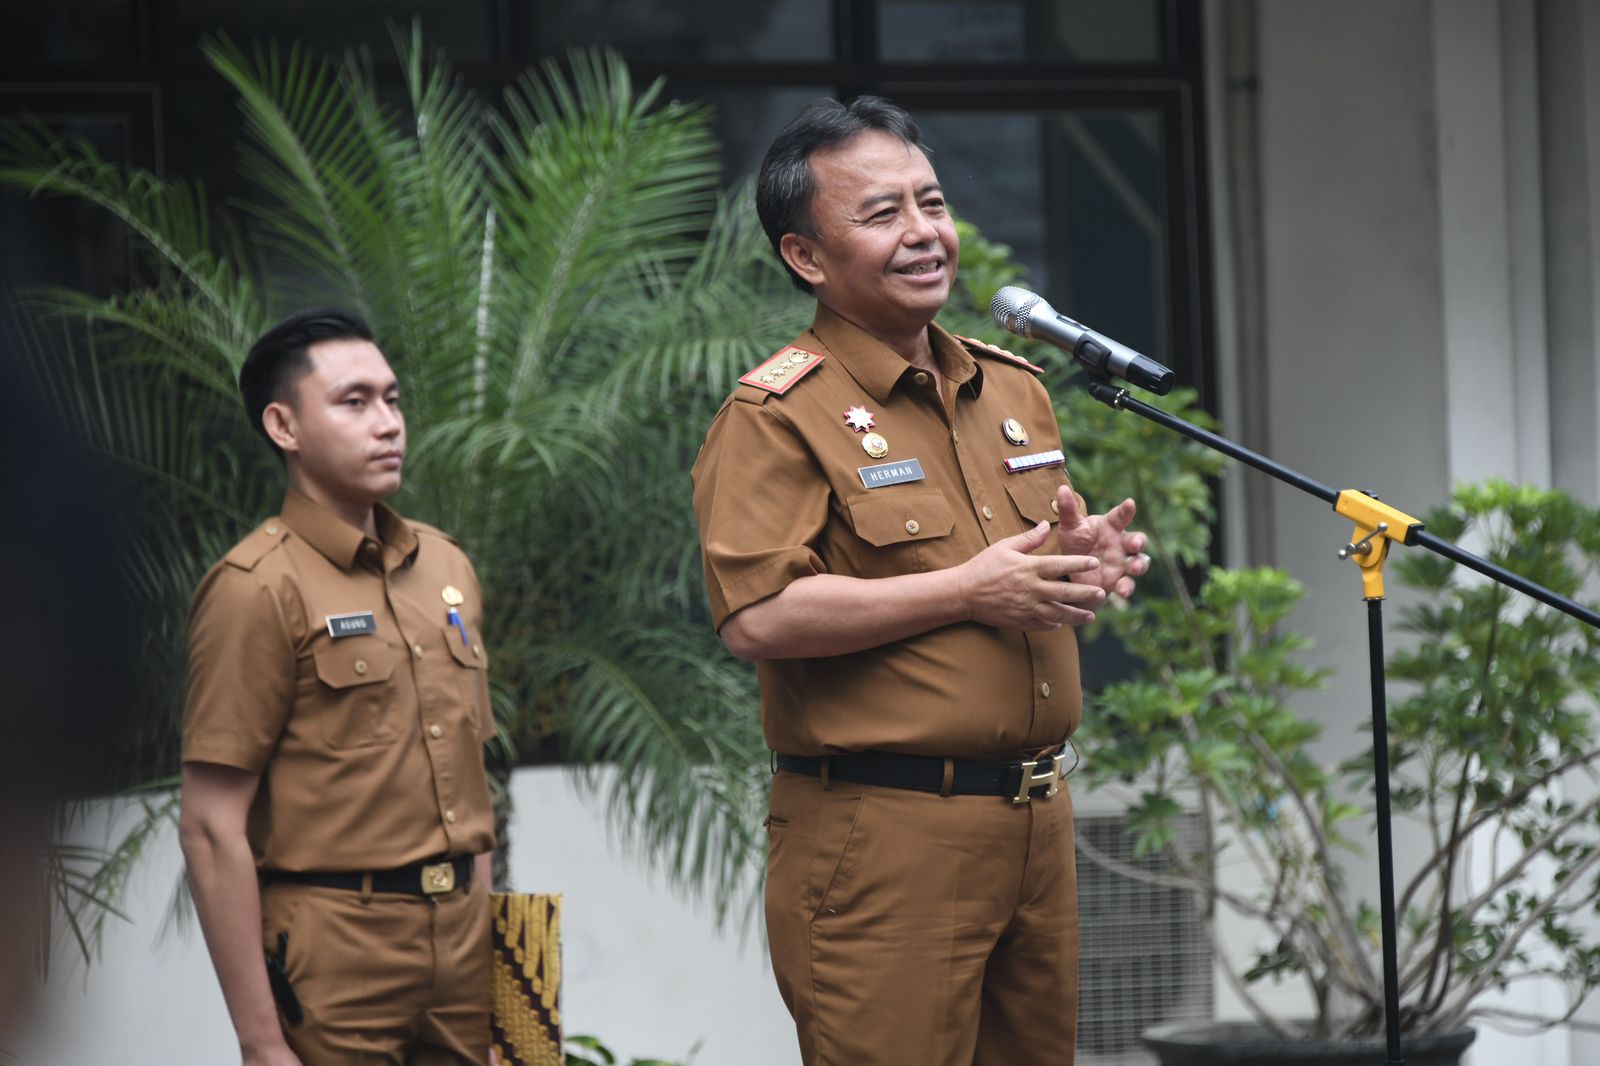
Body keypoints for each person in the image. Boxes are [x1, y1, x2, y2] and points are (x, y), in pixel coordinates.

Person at [691, 97, 1149, 1065]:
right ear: (806, 257)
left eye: (929, 202)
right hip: (885, 833)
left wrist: (1082, 564)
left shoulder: (1011, 388)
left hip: (1034, 821)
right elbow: (756, 616)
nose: (923, 233)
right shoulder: (776, 413)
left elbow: (1015, 576)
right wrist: (963, 591)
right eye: (881, 213)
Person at [179, 310, 498, 1066]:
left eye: (392, 399)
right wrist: (261, 1041)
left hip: (462, 939)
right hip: (336, 948)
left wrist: (490, 983)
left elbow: (467, 774)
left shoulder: (445, 569)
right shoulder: (255, 587)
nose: (387, 424)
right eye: (354, 402)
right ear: (284, 425)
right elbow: (210, 824)